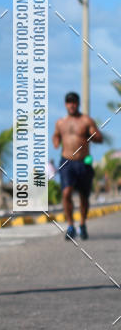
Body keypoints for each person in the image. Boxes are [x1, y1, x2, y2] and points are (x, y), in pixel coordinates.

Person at [52, 92, 102, 240]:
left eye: (74, 102)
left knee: (83, 197)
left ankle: (82, 223)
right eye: (68, 102)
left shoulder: (86, 121)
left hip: (83, 162)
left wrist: (94, 135)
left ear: (78, 103)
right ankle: (70, 226)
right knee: (66, 192)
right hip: (67, 162)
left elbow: (98, 137)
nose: (71, 104)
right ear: (65, 104)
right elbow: (56, 135)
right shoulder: (61, 122)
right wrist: (55, 141)